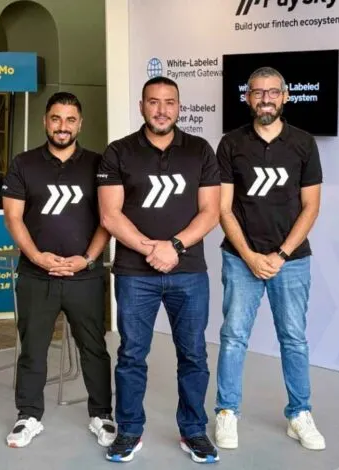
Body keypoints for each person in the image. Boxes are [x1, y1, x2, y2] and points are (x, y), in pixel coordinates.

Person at [97, 76, 221, 463]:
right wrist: (152, 249)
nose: (162, 109)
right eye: (154, 102)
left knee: (194, 355)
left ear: (179, 107)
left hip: (189, 272)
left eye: (169, 102)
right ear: (141, 106)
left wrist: (176, 247)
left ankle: (194, 431)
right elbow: (109, 214)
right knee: (132, 354)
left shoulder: (200, 150)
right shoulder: (118, 152)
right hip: (135, 273)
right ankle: (129, 431)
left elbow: (211, 211)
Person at [213, 66, 326, 451]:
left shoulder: (304, 143)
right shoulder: (230, 144)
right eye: (258, 92)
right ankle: (227, 413)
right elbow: (223, 209)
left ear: (286, 96)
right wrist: (248, 255)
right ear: (247, 98)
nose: (265, 99)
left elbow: (311, 207)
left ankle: (299, 414)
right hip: (240, 259)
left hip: (291, 261)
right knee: (232, 338)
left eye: (272, 92)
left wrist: (279, 254)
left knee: (293, 339)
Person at [1, 91, 116, 449]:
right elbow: (13, 217)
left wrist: (89, 258)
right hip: (37, 275)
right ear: (45, 122)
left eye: (70, 120)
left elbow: (108, 219)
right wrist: (36, 256)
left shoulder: (100, 164)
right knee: (33, 348)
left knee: (94, 347)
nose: (62, 126)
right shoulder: (23, 163)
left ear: (80, 123)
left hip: (85, 274)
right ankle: (28, 416)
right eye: (55, 118)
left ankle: (102, 414)